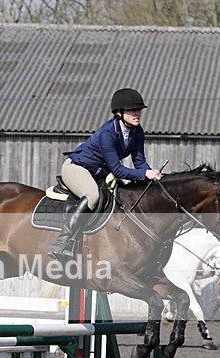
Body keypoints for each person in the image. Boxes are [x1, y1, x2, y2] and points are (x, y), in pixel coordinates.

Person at [49, 88, 163, 262]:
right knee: (92, 196)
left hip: (100, 172)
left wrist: (151, 180)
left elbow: (139, 162)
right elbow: (117, 170)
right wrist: (146, 173)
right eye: (133, 110)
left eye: (139, 110)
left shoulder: (137, 132)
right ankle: (62, 242)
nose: (137, 113)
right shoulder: (107, 134)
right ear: (119, 113)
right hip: (77, 168)